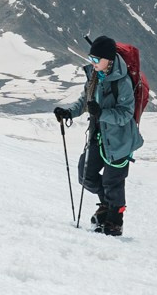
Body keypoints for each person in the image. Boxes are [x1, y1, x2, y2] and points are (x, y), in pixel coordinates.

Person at [54, 36, 141, 236]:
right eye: (91, 59)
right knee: (86, 175)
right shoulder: (94, 77)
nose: (92, 63)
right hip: (98, 136)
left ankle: (115, 221)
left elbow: (126, 114)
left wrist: (102, 112)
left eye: (96, 59)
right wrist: (69, 112)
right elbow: (86, 101)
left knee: (113, 181)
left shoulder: (123, 81)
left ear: (109, 60)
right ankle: (107, 206)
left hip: (120, 141)